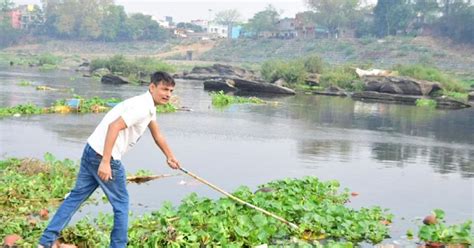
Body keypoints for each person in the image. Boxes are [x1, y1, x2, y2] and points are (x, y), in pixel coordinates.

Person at [38, 71, 181, 248]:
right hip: (105, 156)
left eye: (171, 91)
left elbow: (157, 134)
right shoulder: (142, 107)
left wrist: (170, 156)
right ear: (152, 87)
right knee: (121, 204)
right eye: (164, 89)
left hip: (91, 150)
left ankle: (45, 242)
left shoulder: (147, 105)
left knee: (75, 197)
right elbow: (114, 127)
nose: (168, 94)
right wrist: (105, 162)